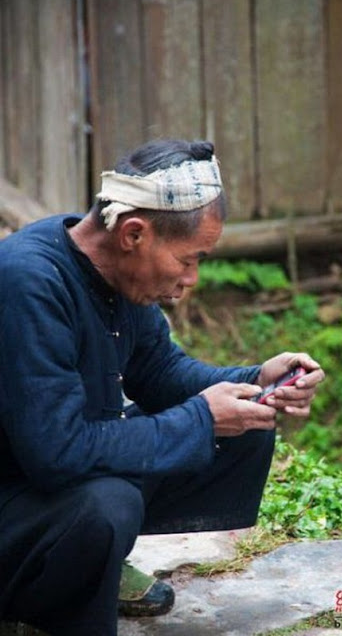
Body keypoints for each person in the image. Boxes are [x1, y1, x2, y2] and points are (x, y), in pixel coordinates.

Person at [0, 139, 324, 636]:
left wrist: (255, 381)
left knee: (241, 426)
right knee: (108, 505)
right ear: (134, 233)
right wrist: (200, 418)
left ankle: (91, 566)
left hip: (50, 472)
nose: (192, 278)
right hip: (18, 488)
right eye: (188, 260)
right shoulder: (29, 281)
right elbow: (56, 451)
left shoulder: (116, 268)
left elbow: (162, 374)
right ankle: (55, 590)